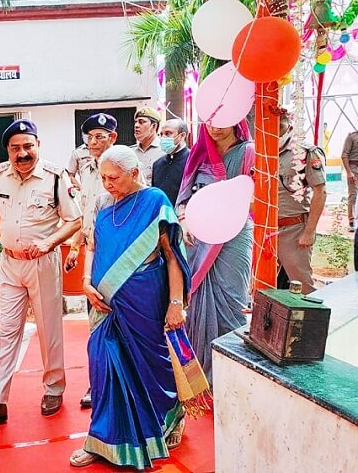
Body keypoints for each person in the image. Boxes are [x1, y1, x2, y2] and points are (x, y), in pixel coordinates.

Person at [68, 146, 192, 469]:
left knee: (151, 365)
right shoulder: (103, 204)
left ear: (134, 173)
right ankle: (100, 439)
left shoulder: (154, 202)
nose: (107, 183)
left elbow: (172, 257)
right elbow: (92, 245)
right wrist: (85, 280)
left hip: (145, 300)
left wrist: (176, 303)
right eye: (103, 177)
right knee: (102, 366)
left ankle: (169, 419)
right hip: (103, 304)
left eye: (113, 177)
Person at [0, 119, 82, 422]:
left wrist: (49, 242)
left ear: (38, 145)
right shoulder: (0, 175)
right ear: (7, 150)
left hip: (42, 264)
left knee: (49, 331)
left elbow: (74, 221)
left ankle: (54, 389)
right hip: (10, 263)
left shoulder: (56, 176)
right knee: (7, 331)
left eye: (28, 146)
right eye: (15, 148)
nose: (22, 153)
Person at [177, 121, 255, 384]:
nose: (215, 127)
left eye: (222, 121)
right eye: (208, 121)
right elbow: (184, 198)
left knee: (232, 301)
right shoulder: (197, 155)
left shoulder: (248, 152)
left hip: (235, 235)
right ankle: (202, 377)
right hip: (198, 238)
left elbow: (260, 195)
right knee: (196, 302)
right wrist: (185, 219)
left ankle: (232, 376)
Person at [63, 112, 118, 409]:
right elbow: (87, 217)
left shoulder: (125, 169)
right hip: (94, 257)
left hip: (120, 258)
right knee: (96, 322)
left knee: (121, 321)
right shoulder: (86, 170)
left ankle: (121, 384)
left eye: (100, 136)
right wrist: (74, 248)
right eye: (89, 137)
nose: (94, 142)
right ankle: (97, 383)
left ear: (113, 138)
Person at [277, 113, 327, 294]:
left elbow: (320, 192)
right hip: (266, 231)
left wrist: (309, 231)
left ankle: (312, 322)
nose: (275, 129)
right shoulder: (262, 150)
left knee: (302, 285)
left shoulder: (305, 152)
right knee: (265, 286)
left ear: (289, 124)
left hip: (294, 228)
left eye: (280, 124)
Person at [152, 119, 191, 206]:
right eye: (161, 134)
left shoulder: (193, 160)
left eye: (168, 133)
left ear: (182, 136)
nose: (163, 138)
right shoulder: (157, 164)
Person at [131, 106, 164, 186]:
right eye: (136, 122)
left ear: (153, 126)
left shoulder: (165, 151)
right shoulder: (131, 152)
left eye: (141, 122)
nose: (136, 125)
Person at [342, 131, 358, 231]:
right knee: (353, 195)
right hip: (354, 169)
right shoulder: (352, 137)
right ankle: (352, 221)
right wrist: (348, 172)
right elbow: (344, 155)